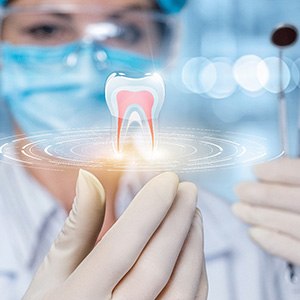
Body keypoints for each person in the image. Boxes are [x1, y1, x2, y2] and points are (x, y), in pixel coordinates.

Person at [0, 1, 300, 300]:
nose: (87, 66)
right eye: (46, 29)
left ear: (168, 49)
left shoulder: (251, 243)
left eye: (125, 31)